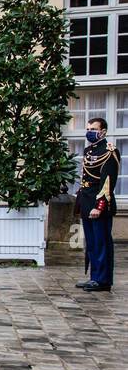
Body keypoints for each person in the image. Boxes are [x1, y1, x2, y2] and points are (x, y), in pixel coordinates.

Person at [77, 116, 118, 293]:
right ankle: (94, 277)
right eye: (88, 128)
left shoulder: (110, 151)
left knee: (101, 243)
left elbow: (107, 182)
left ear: (103, 132)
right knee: (92, 244)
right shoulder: (89, 151)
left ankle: (103, 280)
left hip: (98, 205)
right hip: (87, 203)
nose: (90, 132)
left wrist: (99, 206)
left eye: (93, 129)